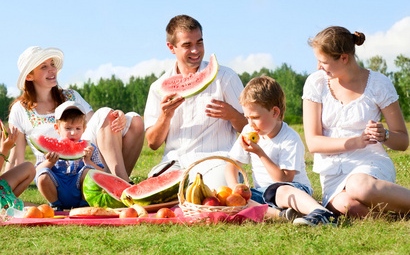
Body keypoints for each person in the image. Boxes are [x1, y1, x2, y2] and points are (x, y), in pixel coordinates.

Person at [303, 26, 410, 218]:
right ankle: (397, 214)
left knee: (358, 186)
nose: (319, 66)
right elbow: (313, 142)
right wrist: (356, 141)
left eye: (323, 61)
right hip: (333, 174)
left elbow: (402, 142)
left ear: (344, 58)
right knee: (348, 207)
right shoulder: (316, 83)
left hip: (370, 166)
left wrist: (384, 135)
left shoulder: (379, 84)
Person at [7, 46, 144, 184]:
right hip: (54, 174)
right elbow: (16, 159)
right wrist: (2, 189)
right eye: (44, 67)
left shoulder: (71, 95)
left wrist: (116, 116)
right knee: (105, 113)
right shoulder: (20, 109)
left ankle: (117, 182)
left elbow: (98, 122)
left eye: (52, 64)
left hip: (88, 160)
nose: (52, 70)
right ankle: (124, 185)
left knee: (135, 120)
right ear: (29, 76)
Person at [144, 15, 247, 188]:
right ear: (171, 47)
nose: (196, 50)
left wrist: (232, 115)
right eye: (187, 45)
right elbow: (153, 143)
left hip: (216, 160)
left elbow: (251, 128)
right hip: (174, 163)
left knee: (220, 189)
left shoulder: (225, 78)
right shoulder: (158, 88)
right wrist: (165, 116)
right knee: (151, 195)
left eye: (199, 42)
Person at [224, 76, 336, 226]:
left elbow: (284, 179)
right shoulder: (248, 130)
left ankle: (321, 213)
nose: (251, 123)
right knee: (240, 202)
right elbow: (231, 165)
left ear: (275, 112)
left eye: (255, 117)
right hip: (263, 193)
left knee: (281, 191)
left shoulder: (290, 138)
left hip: (292, 188)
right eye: (247, 117)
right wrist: (234, 190)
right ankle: (282, 215)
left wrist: (260, 153)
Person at [36, 101, 103, 210]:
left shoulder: (91, 148)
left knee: (89, 171)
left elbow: (101, 175)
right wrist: (50, 162)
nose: (73, 133)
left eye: (78, 128)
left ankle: (84, 205)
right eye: (68, 128)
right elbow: (36, 173)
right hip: (57, 190)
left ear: (84, 129)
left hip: (82, 193)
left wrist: (88, 162)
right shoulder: (48, 150)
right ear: (57, 129)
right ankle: (55, 205)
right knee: (43, 176)